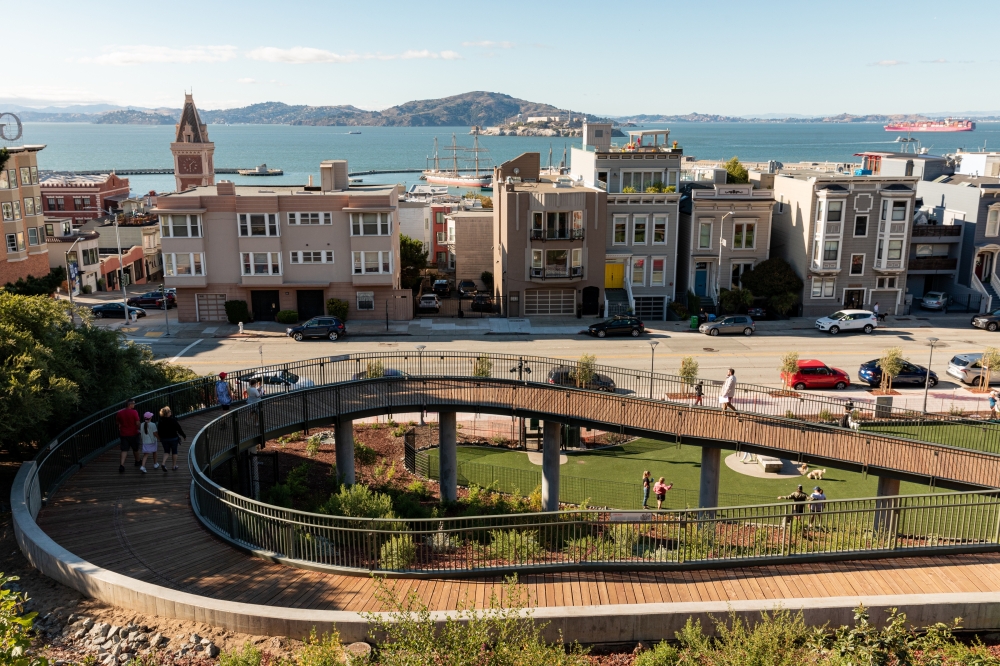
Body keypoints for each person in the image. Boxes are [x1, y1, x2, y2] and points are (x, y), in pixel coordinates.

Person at [157, 406, 186, 471]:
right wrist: (184, 436)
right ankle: (174, 466)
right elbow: (179, 428)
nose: (171, 412)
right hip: (173, 438)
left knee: (166, 452)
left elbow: (159, 431)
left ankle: (163, 463)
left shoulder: (161, 421)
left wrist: (161, 438)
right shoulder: (172, 420)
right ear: (167, 413)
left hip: (164, 439)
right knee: (174, 452)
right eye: (169, 411)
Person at [116, 399, 141, 474]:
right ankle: (137, 461)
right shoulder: (134, 412)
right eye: (133, 403)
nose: (134, 405)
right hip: (133, 433)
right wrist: (139, 429)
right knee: (135, 449)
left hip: (124, 433)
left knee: (124, 450)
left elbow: (117, 422)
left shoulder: (119, 412)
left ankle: (122, 465)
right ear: (130, 404)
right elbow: (137, 422)